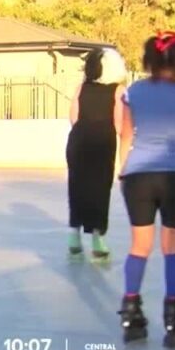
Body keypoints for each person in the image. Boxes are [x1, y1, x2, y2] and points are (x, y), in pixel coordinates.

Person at [117, 33, 175, 347]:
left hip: (138, 175)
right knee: (173, 248)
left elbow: (126, 136)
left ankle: (131, 315)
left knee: (139, 246)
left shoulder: (134, 91)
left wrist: (122, 170)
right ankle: (174, 321)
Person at [65, 47, 127, 261]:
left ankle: (74, 235)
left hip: (79, 141)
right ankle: (97, 238)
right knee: (100, 189)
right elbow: (120, 125)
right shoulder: (118, 91)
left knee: (77, 186)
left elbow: (73, 118)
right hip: (102, 143)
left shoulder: (81, 88)